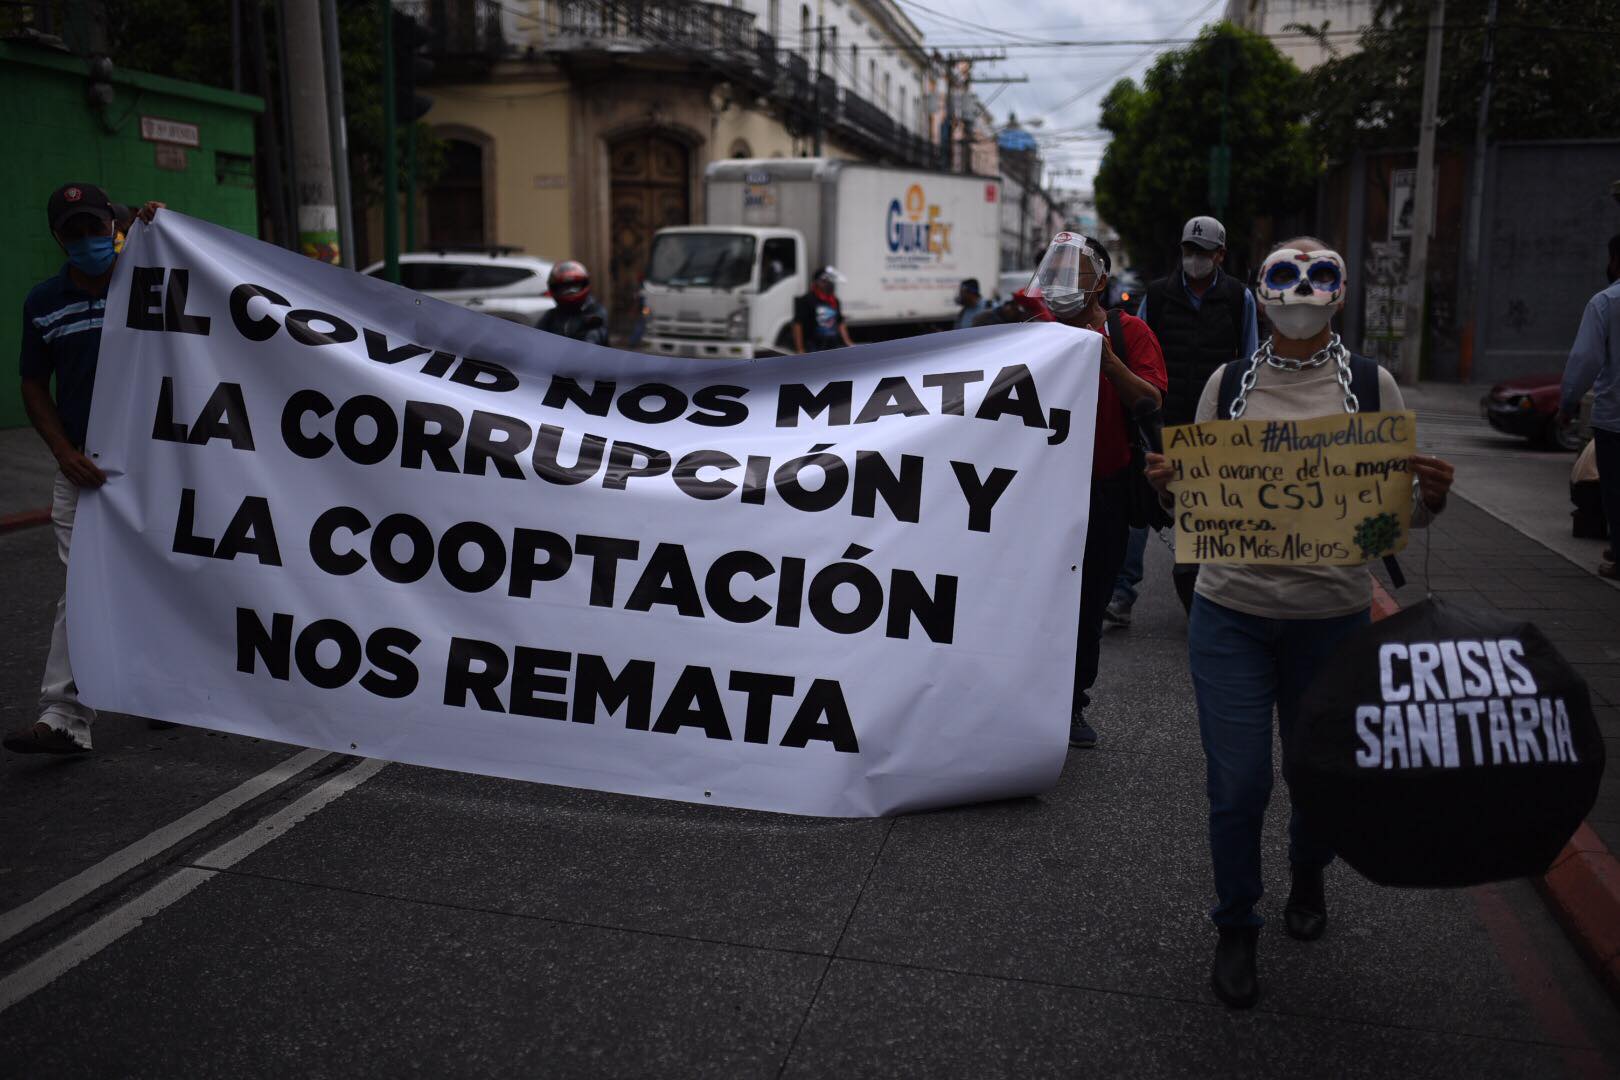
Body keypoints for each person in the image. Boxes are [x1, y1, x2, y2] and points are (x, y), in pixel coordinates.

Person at [1144, 237, 1455, 1010]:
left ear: (1340, 292)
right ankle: (1237, 923)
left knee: (1316, 777)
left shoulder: (1375, 389)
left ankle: (1309, 866)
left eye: (1320, 274)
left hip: (1331, 620)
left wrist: (1430, 500)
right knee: (1238, 782)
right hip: (1231, 615)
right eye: (1287, 273)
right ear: (1262, 289)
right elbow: (1193, 507)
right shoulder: (1229, 383)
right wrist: (1168, 485)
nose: (1303, 287)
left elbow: (1388, 527)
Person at [5, 184, 163, 755]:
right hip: (85, 468)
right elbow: (32, 383)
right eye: (74, 232)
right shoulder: (43, 303)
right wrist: (62, 452)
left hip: (158, 462)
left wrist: (169, 233)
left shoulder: (146, 280)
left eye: (96, 228)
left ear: (113, 226)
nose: (88, 241)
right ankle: (63, 715)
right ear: (58, 238)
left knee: (159, 575)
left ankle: (158, 688)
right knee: (84, 584)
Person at [1027, 233, 1167, 749]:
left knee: (1087, 604)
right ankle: (1020, 701)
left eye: (1076, 272)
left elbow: (1150, 400)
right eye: (1055, 271)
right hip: (1034, 496)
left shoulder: (1131, 335)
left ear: (1100, 281)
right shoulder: (1030, 333)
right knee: (1030, 602)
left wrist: (1109, 361)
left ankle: (1071, 705)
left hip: (1103, 492)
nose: (1064, 283)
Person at [1107, 215, 1259, 629]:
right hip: (1159, 419)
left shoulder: (1237, 298)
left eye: (1203, 253)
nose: (1194, 259)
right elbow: (1137, 348)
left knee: (1206, 507)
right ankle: (1122, 593)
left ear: (1220, 255)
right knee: (1141, 503)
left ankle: (1202, 590)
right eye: (1188, 251)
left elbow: (1249, 359)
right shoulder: (1156, 296)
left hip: (1212, 424)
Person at [1558, 234, 1620, 578]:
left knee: (1616, 490)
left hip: (1615, 419)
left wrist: (1566, 404)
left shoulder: (1605, 303)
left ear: (1616, 261)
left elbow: (1585, 360)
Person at [537, 260, 609, 345]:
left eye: (575, 286)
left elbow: (593, 337)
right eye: (563, 288)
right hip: (556, 357)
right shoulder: (552, 315)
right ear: (555, 288)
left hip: (587, 356)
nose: (569, 291)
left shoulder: (595, 311)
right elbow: (535, 337)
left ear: (583, 284)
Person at [792, 266, 854, 353]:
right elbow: (798, 324)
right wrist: (800, 348)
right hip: (814, 347)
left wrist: (848, 342)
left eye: (830, 281)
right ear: (817, 282)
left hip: (833, 345)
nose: (828, 284)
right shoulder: (807, 300)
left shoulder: (834, 300)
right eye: (825, 281)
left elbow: (840, 322)